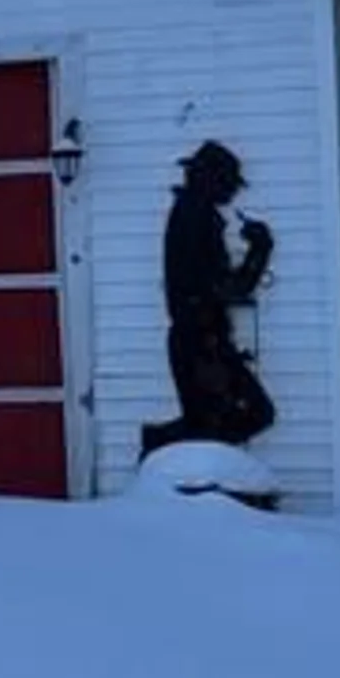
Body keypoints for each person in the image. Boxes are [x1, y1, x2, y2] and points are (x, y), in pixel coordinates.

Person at [139, 140, 277, 455]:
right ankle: (160, 454)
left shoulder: (192, 213)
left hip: (199, 338)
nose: (233, 193)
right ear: (211, 179)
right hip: (200, 342)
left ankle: (162, 453)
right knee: (246, 416)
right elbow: (228, 288)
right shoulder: (196, 217)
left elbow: (215, 285)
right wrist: (260, 248)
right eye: (229, 184)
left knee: (214, 424)